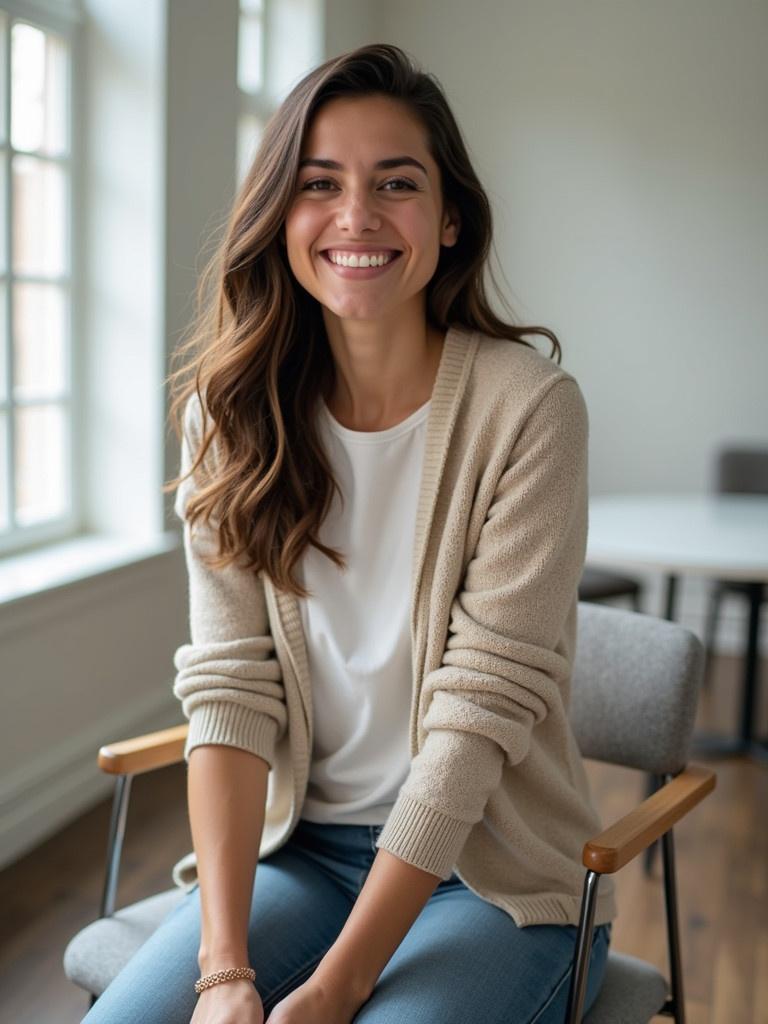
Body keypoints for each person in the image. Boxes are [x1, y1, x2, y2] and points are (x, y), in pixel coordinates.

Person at [82, 42, 616, 1024]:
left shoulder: (529, 410)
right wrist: (225, 971)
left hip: (487, 876)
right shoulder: (231, 415)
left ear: (450, 218)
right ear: (281, 213)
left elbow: (478, 714)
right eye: (319, 183)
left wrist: (340, 982)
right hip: (302, 852)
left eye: (396, 183)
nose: (357, 216)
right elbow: (232, 690)